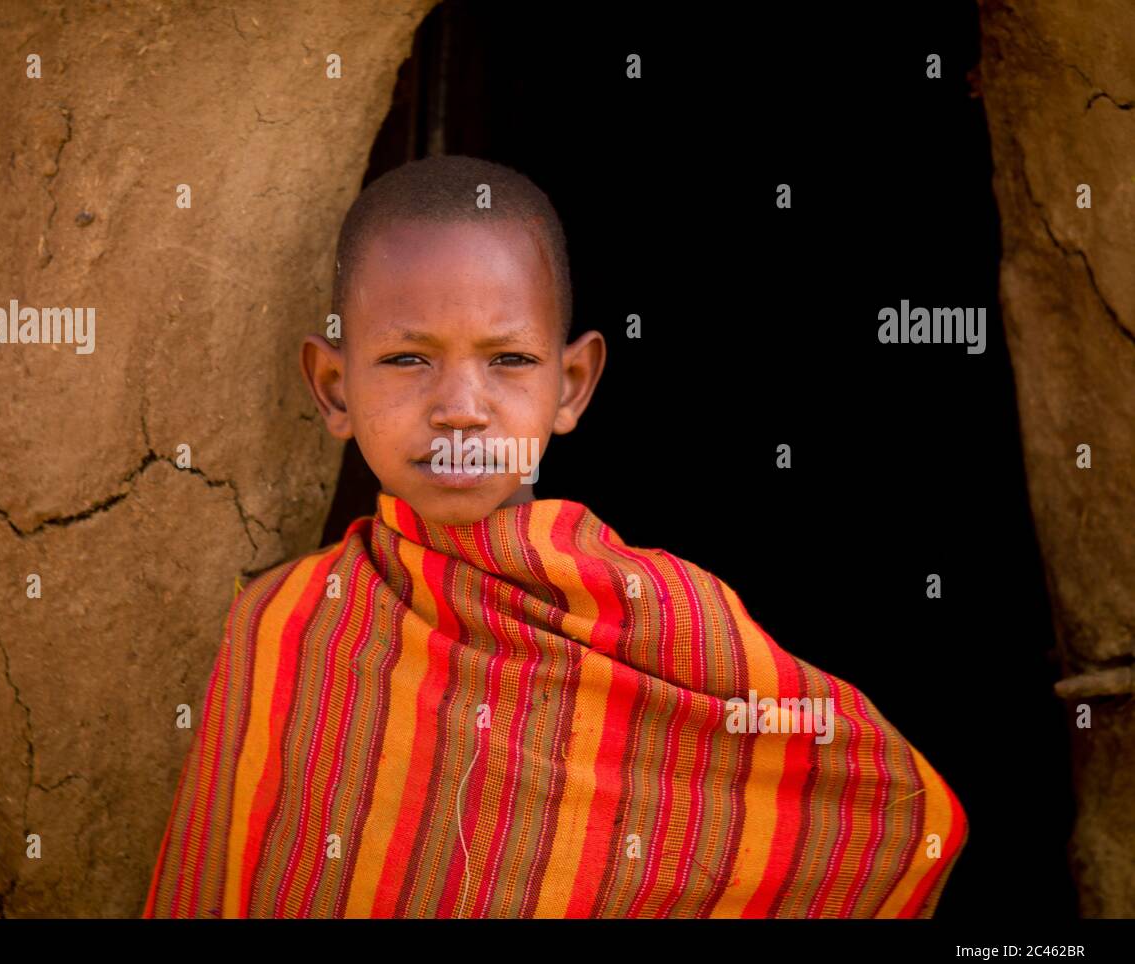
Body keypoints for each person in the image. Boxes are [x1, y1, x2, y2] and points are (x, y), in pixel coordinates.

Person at [142, 154, 967, 918]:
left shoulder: (662, 615)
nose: (461, 405)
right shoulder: (285, 627)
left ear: (571, 386)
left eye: (508, 360)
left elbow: (901, 818)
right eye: (405, 360)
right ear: (333, 387)